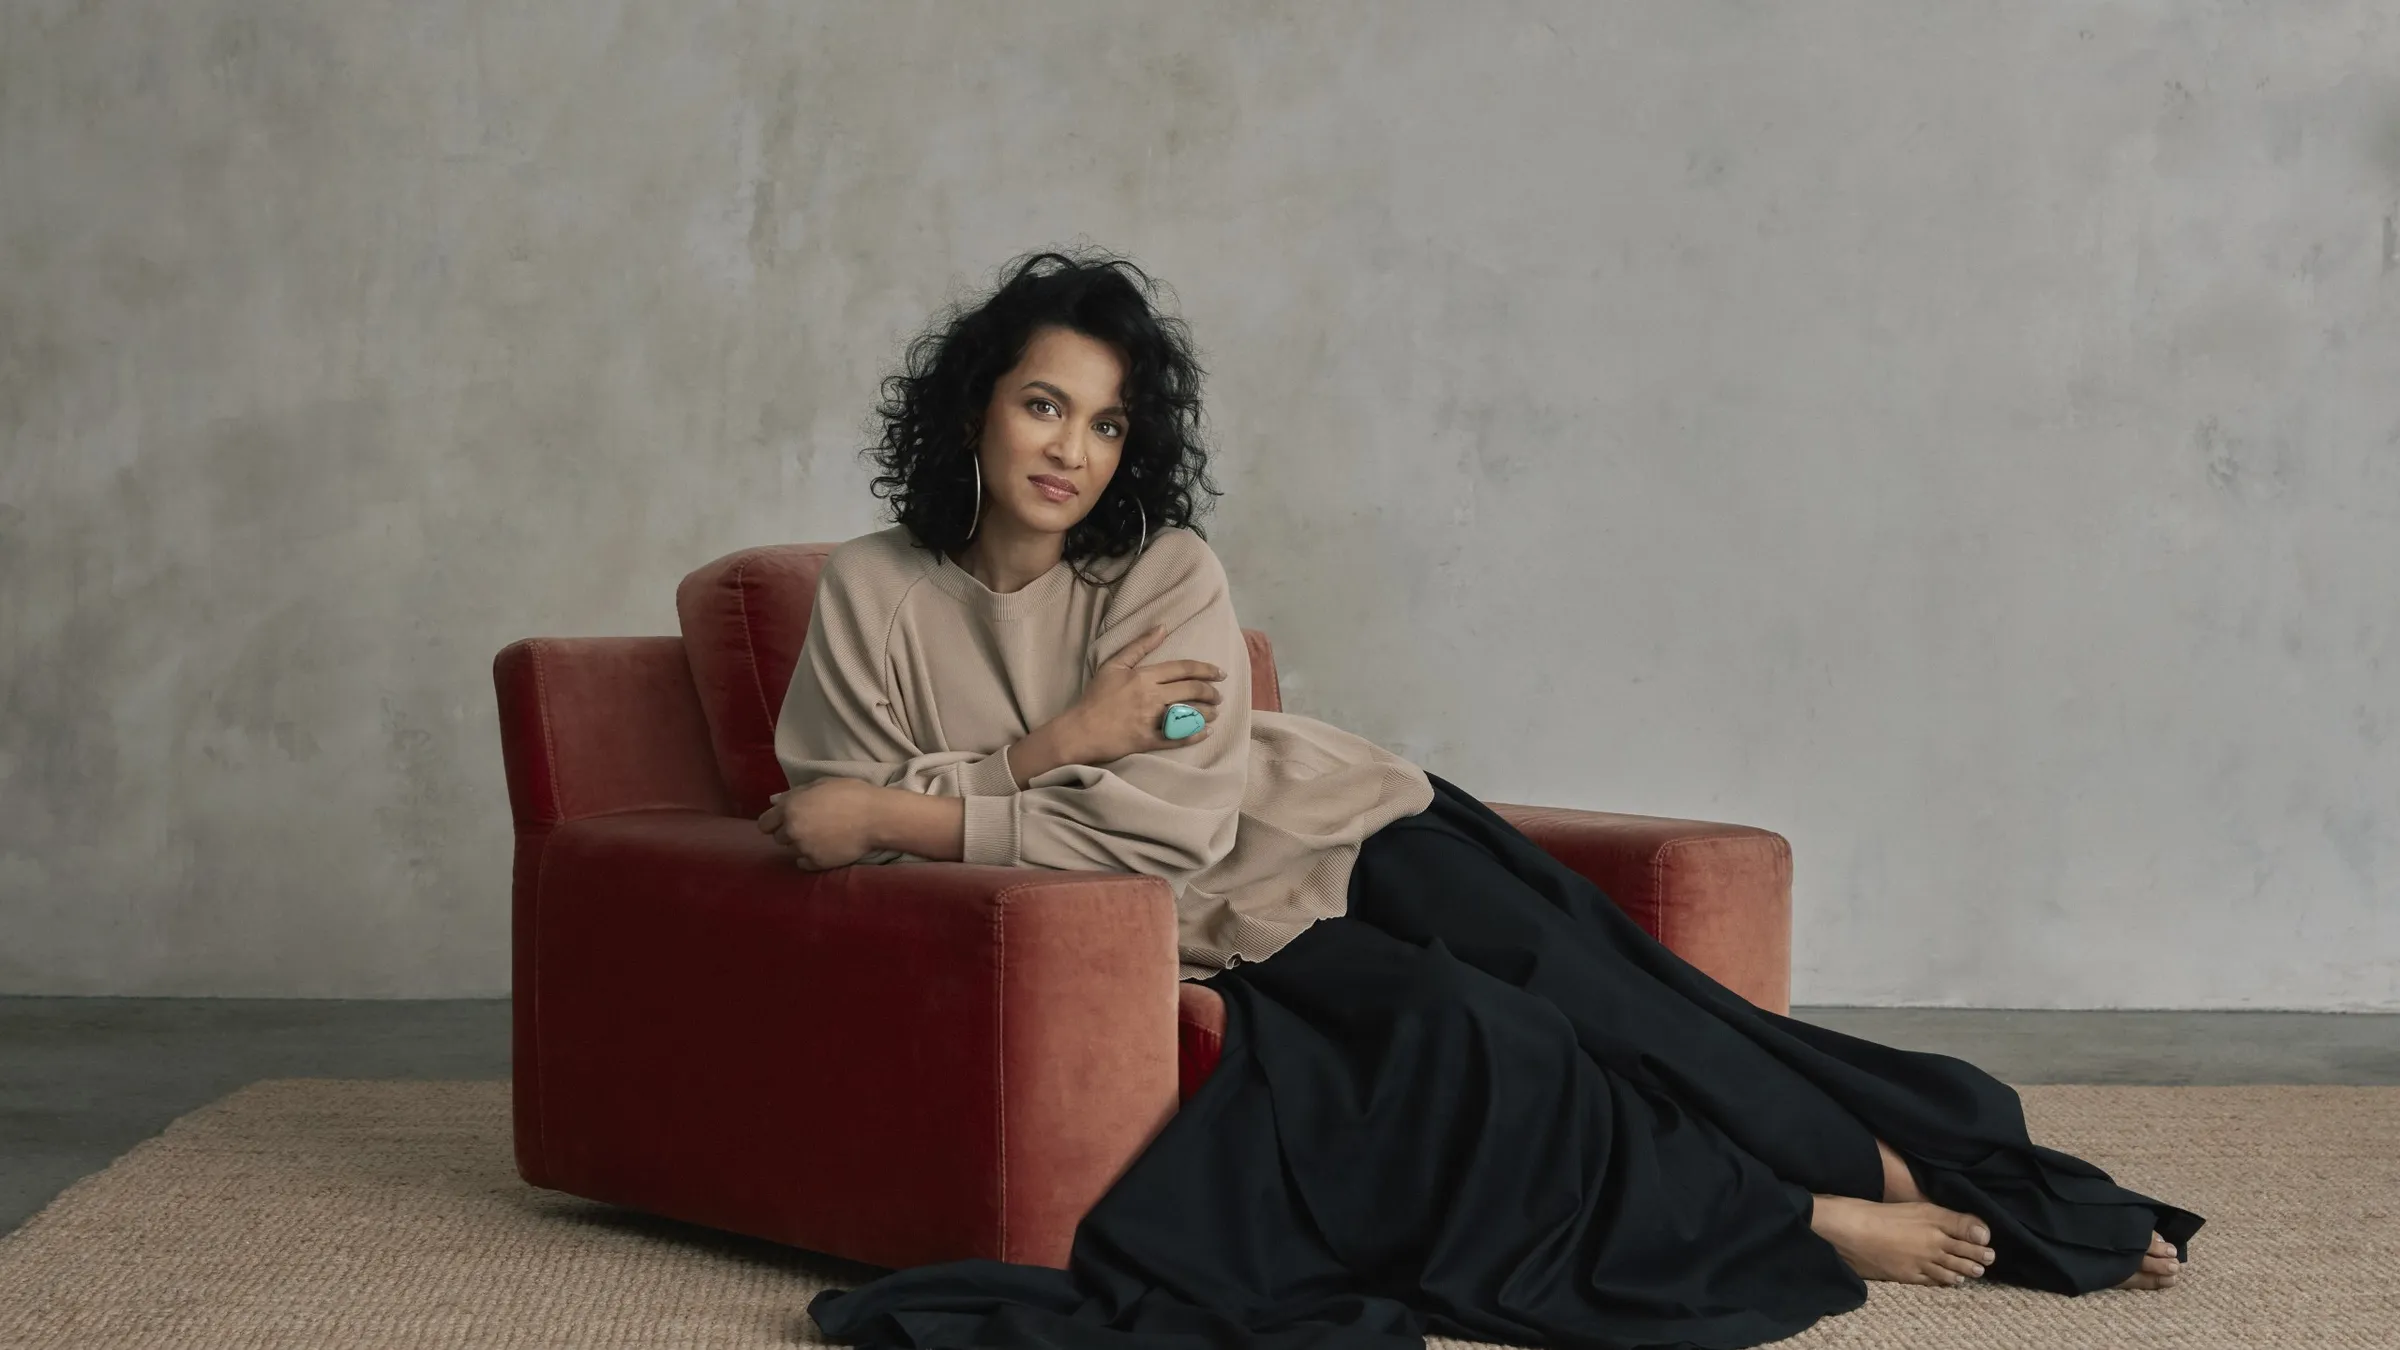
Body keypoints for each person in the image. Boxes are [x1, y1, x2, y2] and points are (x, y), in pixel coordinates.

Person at [755, 248, 2203, 1350]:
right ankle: (1801, 1219)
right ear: (976, 412)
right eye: (1043, 406)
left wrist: (921, 801)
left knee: (1631, 1003)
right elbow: (848, 816)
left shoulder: (1165, 575)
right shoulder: (873, 594)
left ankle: (1977, 1189)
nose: (1072, 451)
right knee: (1496, 1043)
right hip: (1227, 920)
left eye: (1107, 424)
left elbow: (1166, 817)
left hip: (1345, 824)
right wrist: (1061, 741)